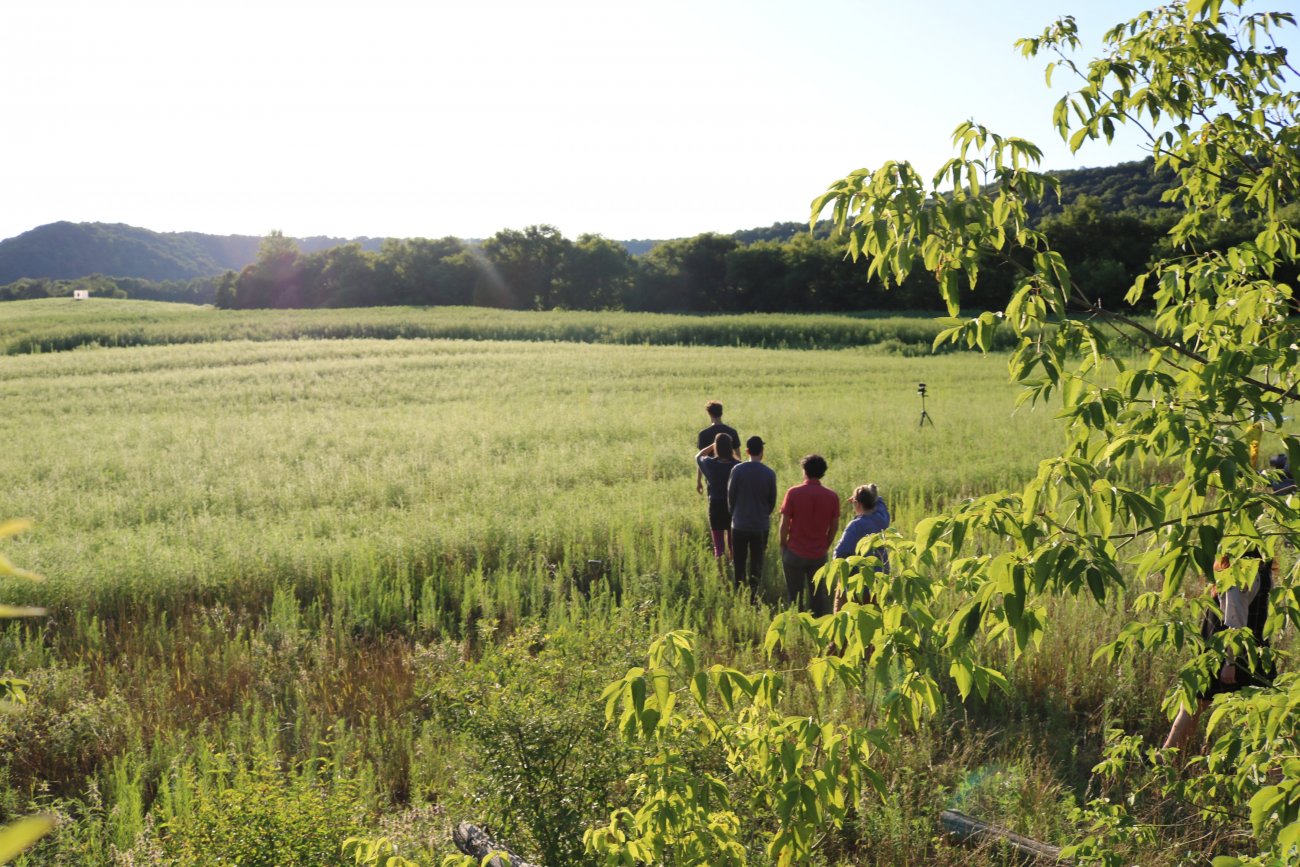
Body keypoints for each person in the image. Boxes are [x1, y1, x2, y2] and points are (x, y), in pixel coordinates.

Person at [1163, 456, 1290, 751]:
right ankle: (1168, 758)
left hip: (1235, 651)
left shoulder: (1243, 572)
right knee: (1253, 709)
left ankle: (1168, 757)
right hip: (1240, 651)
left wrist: (1229, 662)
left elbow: (1240, 617)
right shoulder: (1250, 572)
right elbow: (1240, 618)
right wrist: (1230, 662)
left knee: (1198, 705)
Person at [778, 454, 840, 616]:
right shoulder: (832, 496)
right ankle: (817, 626)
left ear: (804, 471)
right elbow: (834, 526)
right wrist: (825, 544)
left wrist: (783, 544)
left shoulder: (793, 493)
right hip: (818, 553)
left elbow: (784, 524)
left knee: (794, 596)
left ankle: (796, 624)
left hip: (794, 552)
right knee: (817, 596)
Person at [728, 436, 777, 600]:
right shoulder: (769, 474)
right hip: (760, 525)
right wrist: (762, 514)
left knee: (739, 562)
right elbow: (772, 501)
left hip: (739, 524)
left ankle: (739, 593)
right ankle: (754, 595)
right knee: (757, 564)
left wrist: (736, 514)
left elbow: (731, 497)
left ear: (747, 451)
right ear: (762, 452)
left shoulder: (737, 470)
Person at [696, 433, 741, 565]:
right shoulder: (737, 465)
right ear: (730, 447)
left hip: (715, 505)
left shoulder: (710, 464)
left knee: (718, 546)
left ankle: (721, 573)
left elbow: (698, 456)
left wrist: (712, 445)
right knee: (733, 543)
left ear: (717, 448)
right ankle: (734, 566)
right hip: (733, 506)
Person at [696, 401, 739, 496]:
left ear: (709, 414)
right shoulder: (732, 432)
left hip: (712, 476)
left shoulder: (704, 434)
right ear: (721, 413)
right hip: (731, 474)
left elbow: (701, 458)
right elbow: (738, 456)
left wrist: (699, 480)